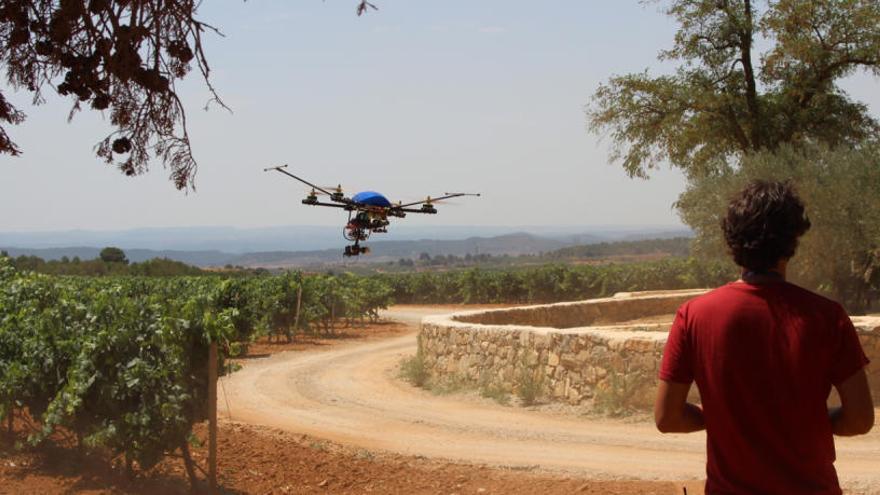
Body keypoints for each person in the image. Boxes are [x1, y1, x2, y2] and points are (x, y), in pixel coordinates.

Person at [654, 180, 874, 494]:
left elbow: (667, 418)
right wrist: (811, 420)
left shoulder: (694, 316)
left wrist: (719, 419)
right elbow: (860, 420)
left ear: (732, 242)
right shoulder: (827, 317)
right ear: (793, 241)